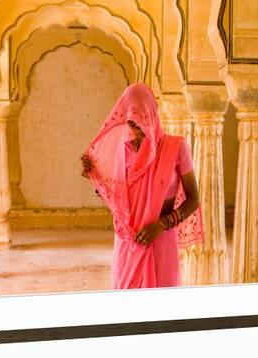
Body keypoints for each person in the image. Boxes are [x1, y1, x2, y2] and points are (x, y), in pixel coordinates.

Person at [80, 83, 204, 289]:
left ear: (152, 114)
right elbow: (119, 198)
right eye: (131, 122)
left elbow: (193, 199)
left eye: (141, 121)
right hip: (127, 242)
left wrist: (161, 224)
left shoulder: (176, 147)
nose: (137, 129)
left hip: (161, 239)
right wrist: (94, 175)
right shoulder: (122, 151)